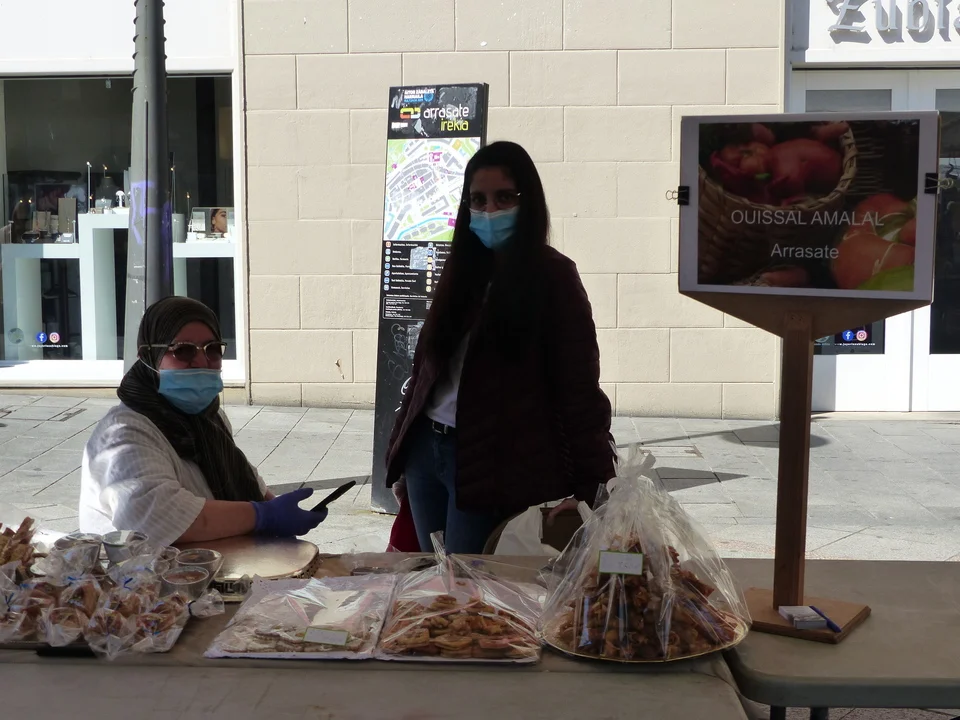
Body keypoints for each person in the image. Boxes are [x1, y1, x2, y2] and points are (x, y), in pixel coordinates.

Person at [386, 141, 615, 554]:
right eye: (478, 200)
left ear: (528, 202)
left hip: (490, 464)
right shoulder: (462, 269)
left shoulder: (554, 277)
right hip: (426, 454)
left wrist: (593, 486)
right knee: (434, 577)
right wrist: (401, 452)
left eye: (504, 198)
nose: (489, 210)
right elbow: (424, 370)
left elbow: (579, 390)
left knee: (471, 582)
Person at [79, 296, 326, 547]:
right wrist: (264, 516)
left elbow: (243, 477)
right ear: (147, 356)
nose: (201, 361)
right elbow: (157, 518)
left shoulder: (210, 418)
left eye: (212, 349)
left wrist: (281, 509)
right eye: (183, 350)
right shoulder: (123, 433)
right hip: (136, 569)